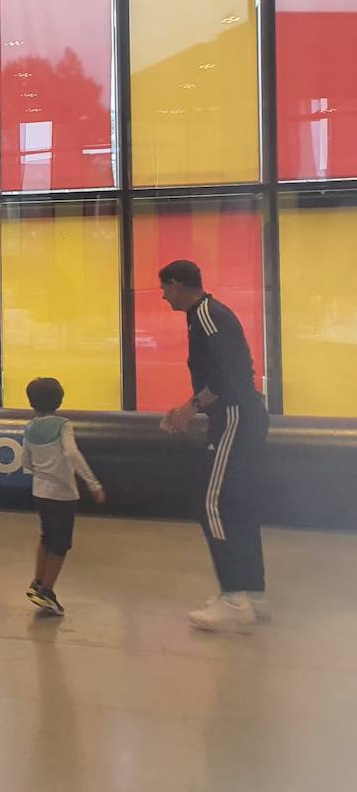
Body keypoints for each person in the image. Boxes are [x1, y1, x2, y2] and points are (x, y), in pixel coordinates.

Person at [158, 260, 269, 631]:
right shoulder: (206, 315)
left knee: (212, 502)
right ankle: (251, 593)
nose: (162, 296)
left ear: (176, 285)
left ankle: (233, 596)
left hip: (235, 416)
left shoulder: (206, 314)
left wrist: (191, 406)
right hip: (241, 414)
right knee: (238, 502)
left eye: (164, 288)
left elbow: (229, 375)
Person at [22, 377, 105, 617]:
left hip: (40, 491)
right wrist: (93, 484)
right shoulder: (63, 425)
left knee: (46, 537)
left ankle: (37, 581)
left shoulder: (30, 427)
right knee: (60, 545)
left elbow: (25, 461)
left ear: (31, 402)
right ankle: (47, 591)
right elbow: (72, 453)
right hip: (63, 494)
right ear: (60, 400)